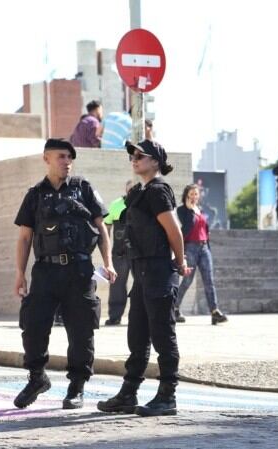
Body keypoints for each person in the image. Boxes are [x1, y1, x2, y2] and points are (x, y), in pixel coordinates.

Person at [12, 138, 116, 410]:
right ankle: (37, 377)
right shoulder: (35, 194)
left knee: (81, 330)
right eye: (61, 156)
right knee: (33, 325)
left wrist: (108, 262)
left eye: (70, 157)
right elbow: (24, 238)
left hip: (79, 270)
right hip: (45, 270)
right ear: (46, 158)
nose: (67, 161)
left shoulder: (84, 189)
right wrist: (20, 274)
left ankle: (77, 386)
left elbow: (101, 228)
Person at [97, 139, 190, 417]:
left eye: (140, 155)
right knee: (136, 335)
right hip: (141, 272)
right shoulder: (139, 191)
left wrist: (180, 261)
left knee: (162, 335)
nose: (134, 159)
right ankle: (128, 393)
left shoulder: (159, 191)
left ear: (156, 161)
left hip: (159, 270)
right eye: (132, 156)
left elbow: (174, 230)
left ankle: (167, 395)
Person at [174, 184, 228, 325]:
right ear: (186, 195)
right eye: (191, 194)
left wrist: (207, 247)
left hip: (204, 248)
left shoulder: (201, 210)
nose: (194, 196)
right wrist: (191, 211)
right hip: (190, 247)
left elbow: (204, 229)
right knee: (187, 281)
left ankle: (214, 311)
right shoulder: (182, 210)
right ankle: (174, 307)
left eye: (196, 194)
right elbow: (186, 227)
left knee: (209, 280)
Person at [103, 180, 133, 325]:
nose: (131, 191)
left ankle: (139, 316)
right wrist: (106, 250)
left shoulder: (145, 203)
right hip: (119, 252)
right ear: (125, 190)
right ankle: (114, 316)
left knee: (141, 284)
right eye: (129, 189)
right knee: (117, 285)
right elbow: (106, 227)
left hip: (139, 252)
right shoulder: (116, 204)